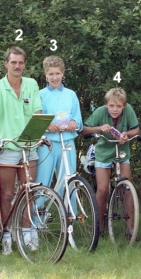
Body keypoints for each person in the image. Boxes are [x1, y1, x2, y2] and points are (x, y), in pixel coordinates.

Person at [0, 47, 43, 255]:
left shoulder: (31, 84)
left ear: (24, 65)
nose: (17, 66)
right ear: (6, 64)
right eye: (13, 62)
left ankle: (27, 232)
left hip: (29, 145)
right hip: (8, 147)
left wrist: (39, 133)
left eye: (21, 62)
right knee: (7, 193)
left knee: (29, 190)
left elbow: (37, 111)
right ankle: (6, 233)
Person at [81, 88, 140, 236]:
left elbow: (136, 130)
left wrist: (127, 134)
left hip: (122, 150)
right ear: (106, 105)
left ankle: (130, 228)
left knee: (127, 188)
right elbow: (83, 130)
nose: (115, 109)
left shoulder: (129, 111)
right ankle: (98, 227)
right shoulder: (100, 112)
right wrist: (99, 128)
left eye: (119, 106)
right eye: (112, 106)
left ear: (124, 106)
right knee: (102, 189)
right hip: (104, 152)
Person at [35, 55, 83, 188]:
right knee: (42, 179)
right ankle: (39, 208)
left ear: (63, 73)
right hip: (47, 143)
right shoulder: (40, 95)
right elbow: (36, 119)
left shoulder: (71, 94)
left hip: (67, 141)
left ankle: (68, 208)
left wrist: (74, 122)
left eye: (57, 73)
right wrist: (47, 125)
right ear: (46, 74)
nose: (54, 77)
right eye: (51, 74)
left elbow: (77, 118)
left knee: (69, 178)